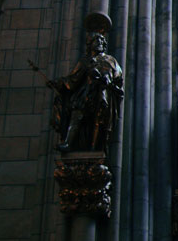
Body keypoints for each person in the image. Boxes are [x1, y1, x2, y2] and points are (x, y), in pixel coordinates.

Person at [48, 14, 123, 153]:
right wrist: (59, 83)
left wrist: (107, 78)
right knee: (77, 115)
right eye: (96, 41)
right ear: (90, 44)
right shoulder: (85, 60)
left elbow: (117, 75)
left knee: (98, 120)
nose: (99, 43)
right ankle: (68, 143)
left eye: (101, 41)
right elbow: (73, 79)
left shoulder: (110, 60)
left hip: (102, 93)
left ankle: (95, 148)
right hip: (85, 93)